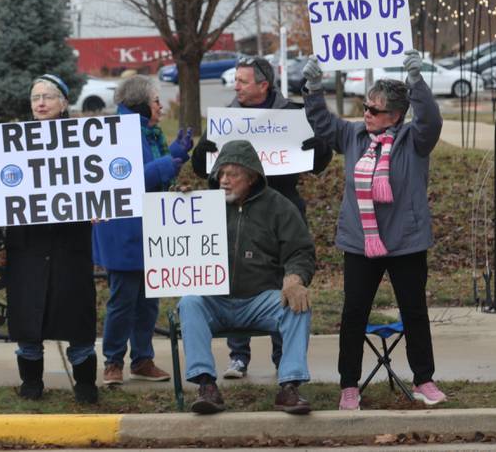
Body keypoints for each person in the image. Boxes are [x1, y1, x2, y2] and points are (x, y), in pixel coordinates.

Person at [301, 50, 446, 410]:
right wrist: (313, 85)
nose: (365, 114)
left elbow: (431, 119)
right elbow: (321, 122)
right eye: (365, 106)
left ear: (396, 116)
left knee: (413, 312)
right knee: (354, 313)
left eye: (374, 110)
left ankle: (423, 380)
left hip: (406, 242)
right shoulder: (353, 136)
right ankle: (349, 384)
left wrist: (416, 79)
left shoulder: (414, 139)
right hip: (361, 241)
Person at [190, 56, 333, 380]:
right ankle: (238, 356)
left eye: (242, 80)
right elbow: (204, 170)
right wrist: (202, 152)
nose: (235, 85)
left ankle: (284, 358)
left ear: (263, 85)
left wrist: (318, 147)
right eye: (236, 80)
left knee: (285, 280)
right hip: (235, 208)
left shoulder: (292, 115)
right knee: (236, 270)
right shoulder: (226, 118)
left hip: (282, 206)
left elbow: (318, 163)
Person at [179, 139, 315, 415]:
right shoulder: (202, 205)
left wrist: (295, 277)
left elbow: (301, 251)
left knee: (298, 305)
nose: (225, 181)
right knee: (189, 303)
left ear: (252, 177)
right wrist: (177, 205)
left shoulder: (279, 207)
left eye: (233, 174)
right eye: (221, 174)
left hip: (260, 299)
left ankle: (289, 387)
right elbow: (174, 235)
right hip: (214, 300)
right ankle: (206, 386)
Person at [0, 74, 99, 404]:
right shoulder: (14, 141)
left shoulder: (85, 139)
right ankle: (31, 382)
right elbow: (2, 186)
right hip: (28, 244)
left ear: (64, 102)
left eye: (48, 96)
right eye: (35, 97)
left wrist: (101, 202)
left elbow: (103, 178)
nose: (40, 103)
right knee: (28, 316)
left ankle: (85, 383)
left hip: (71, 244)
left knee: (76, 316)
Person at [92, 75, 191, 386]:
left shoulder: (147, 132)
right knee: (122, 301)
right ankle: (113, 362)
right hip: (123, 233)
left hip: (150, 229)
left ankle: (142, 359)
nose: (160, 107)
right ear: (140, 104)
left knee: (148, 302)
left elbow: (148, 167)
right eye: (156, 101)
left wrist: (174, 153)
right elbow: (122, 177)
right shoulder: (117, 133)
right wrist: (167, 164)